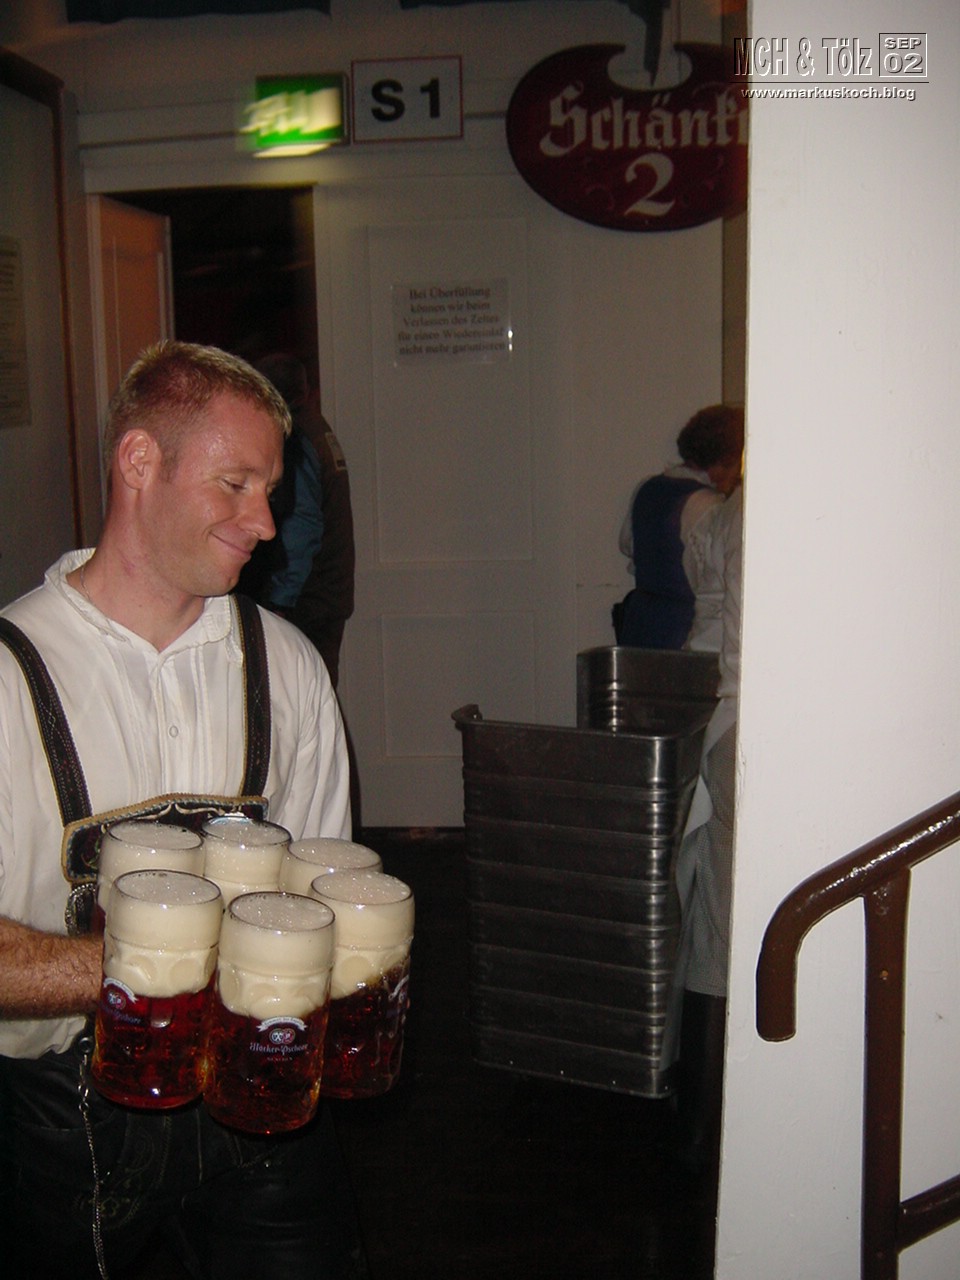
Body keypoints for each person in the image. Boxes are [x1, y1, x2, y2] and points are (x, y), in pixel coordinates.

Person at [0, 341, 360, 1278]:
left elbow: (321, 895)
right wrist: (158, 964)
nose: (265, 524)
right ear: (139, 462)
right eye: (235, 485)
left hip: (265, 1097)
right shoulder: (6, 677)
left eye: (269, 491)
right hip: (57, 1123)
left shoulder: (288, 666)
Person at [663, 480, 743, 1184]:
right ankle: (703, 1130)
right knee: (716, 931)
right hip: (746, 727)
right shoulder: (750, 510)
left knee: (709, 920)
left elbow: (710, 604)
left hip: (724, 716)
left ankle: (697, 1120)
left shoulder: (727, 513)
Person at [241, 353, 355, 689]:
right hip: (326, 595)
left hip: (306, 602)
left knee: (298, 700)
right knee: (316, 695)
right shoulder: (318, 429)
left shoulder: (295, 439)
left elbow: (300, 525)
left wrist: (279, 603)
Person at [616, 404, 743, 649]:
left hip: (641, 621)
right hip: (679, 630)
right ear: (723, 462)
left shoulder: (647, 487)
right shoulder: (709, 507)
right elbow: (709, 579)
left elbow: (628, 545)